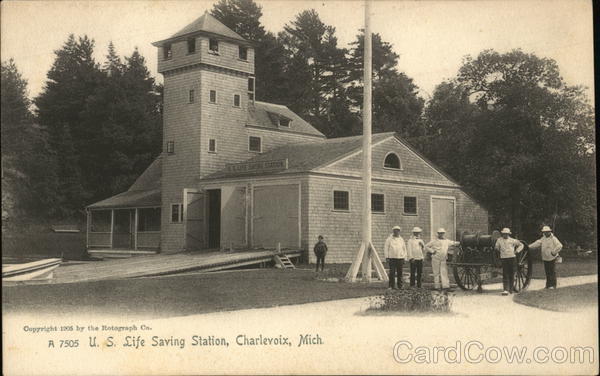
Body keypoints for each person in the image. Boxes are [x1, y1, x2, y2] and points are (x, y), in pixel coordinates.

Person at [494, 228, 524, 295]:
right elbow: (496, 248)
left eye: (506, 234)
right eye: (504, 234)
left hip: (512, 258)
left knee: (511, 273)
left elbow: (521, 245)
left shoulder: (512, 240)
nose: (505, 235)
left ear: (508, 234)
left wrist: (517, 251)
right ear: (502, 234)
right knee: (505, 274)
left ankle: (511, 289)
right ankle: (505, 290)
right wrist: (499, 252)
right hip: (504, 258)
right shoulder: (499, 240)